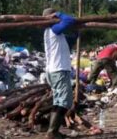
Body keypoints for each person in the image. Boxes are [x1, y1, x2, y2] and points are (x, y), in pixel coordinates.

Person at [43, 8, 76, 139]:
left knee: (59, 101)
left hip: (55, 71)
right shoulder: (53, 30)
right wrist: (59, 14)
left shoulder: (54, 33)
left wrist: (77, 32)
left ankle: (53, 131)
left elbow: (71, 39)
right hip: (58, 70)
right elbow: (69, 20)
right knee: (63, 102)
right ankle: (52, 132)